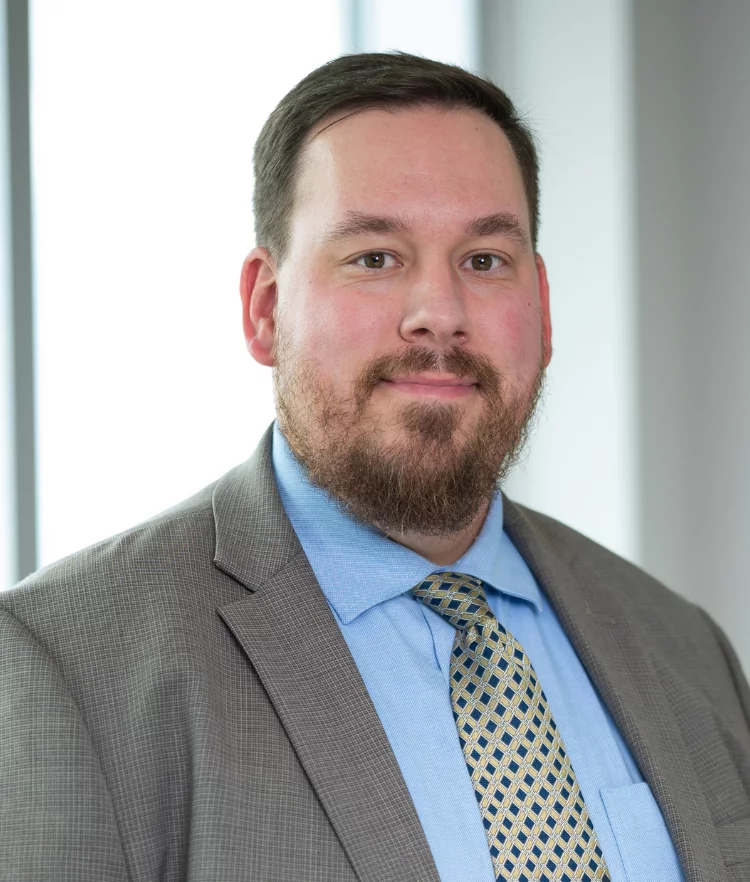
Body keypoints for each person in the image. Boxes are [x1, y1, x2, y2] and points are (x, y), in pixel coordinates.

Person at [1, 51, 749, 882]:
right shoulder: (66, 664)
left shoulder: (688, 649)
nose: (439, 315)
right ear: (265, 307)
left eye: (484, 260)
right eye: (375, 258)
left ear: (541, 308)